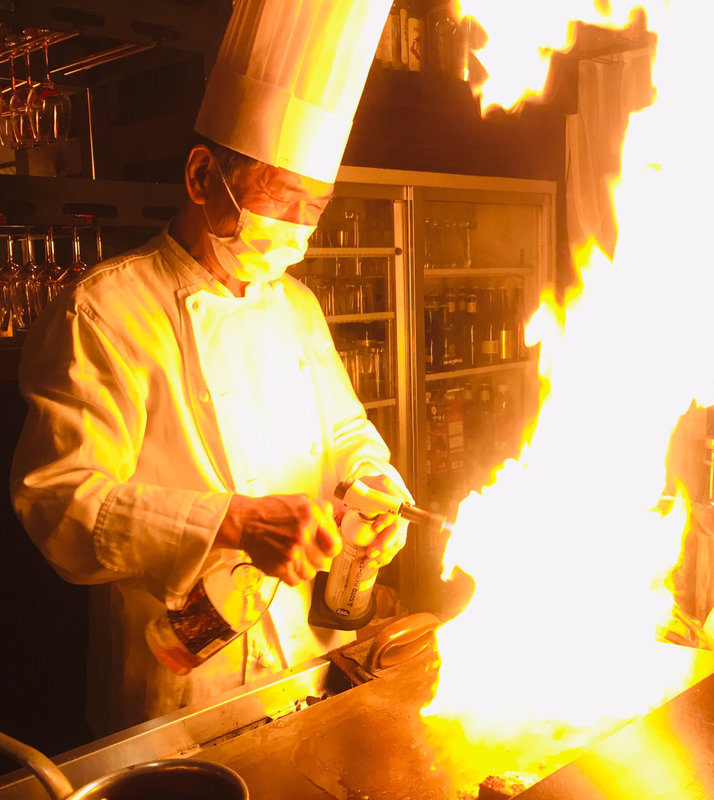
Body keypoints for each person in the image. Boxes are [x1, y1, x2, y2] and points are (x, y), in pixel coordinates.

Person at [9, 130, 412, 735]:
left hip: (310, 656)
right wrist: (233, 521)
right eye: (281, 198)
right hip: (183, 681)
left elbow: (347, 431)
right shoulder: (102, 311)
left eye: (317, 207)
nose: (297, 228)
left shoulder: (296, 305)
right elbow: (59, 504)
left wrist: (373, 487)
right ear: (201, 177)